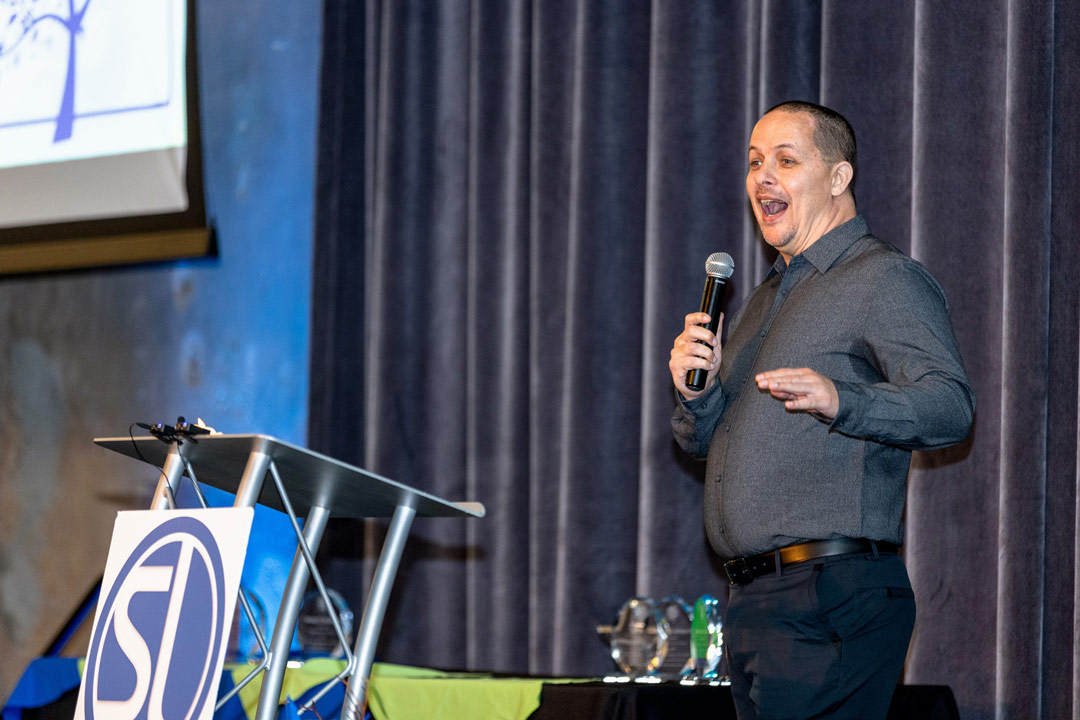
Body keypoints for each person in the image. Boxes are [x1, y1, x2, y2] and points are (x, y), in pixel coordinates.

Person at [668, 101, 974, 719]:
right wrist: (697, 397)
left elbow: (950, 406)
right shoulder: (761, 301)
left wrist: (843, 398)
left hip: (829, 596)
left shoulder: (882, 277)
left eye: (785, 161)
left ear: (838, 177)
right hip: (756, 601)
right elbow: (701, 443)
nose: (763, 177)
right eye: (755, 162)